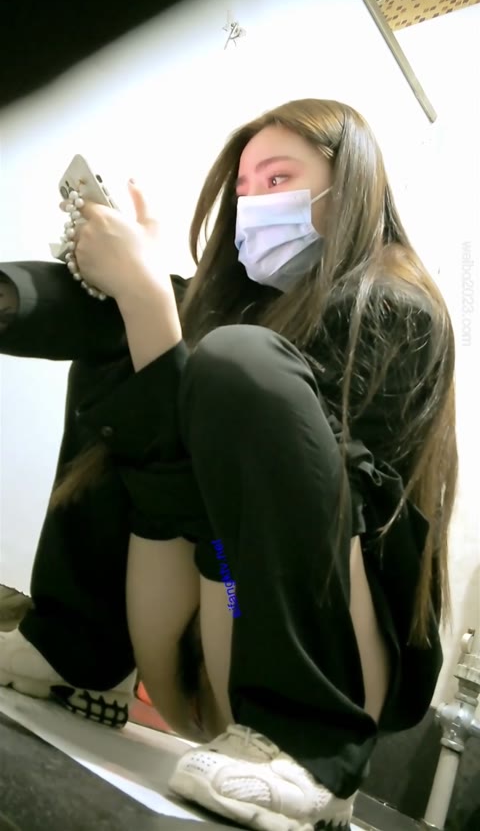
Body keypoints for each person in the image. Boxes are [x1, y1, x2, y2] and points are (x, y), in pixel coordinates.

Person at [0, 98, 457, 830]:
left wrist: (149, 299)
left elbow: (305, 503)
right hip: (212, 610)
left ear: (352, 190)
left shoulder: (397, 306)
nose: (253, 204)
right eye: (243, 189)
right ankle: (72, 652)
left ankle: (309, 755)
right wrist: (123, 295)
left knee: (227, 356)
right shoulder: (250, 311)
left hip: (327, 668)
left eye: (278, 179)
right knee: (139, 329)